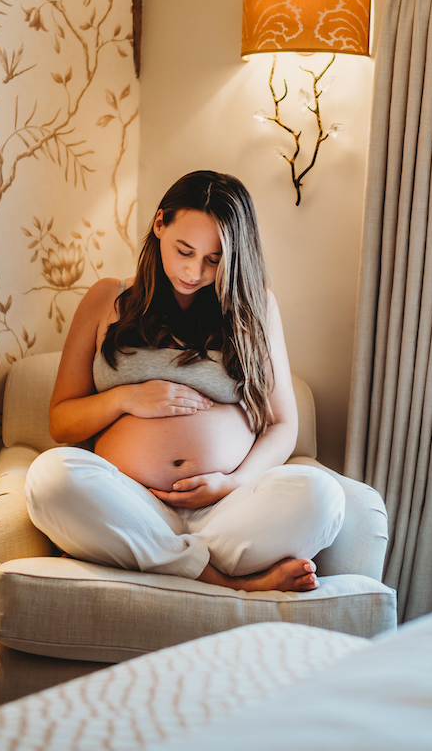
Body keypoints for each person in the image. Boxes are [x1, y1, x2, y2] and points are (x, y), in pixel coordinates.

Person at [25, 170, 345, 592]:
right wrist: (125, 398)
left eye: (214, 260)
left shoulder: (255, 308)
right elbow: (61, 423)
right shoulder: (106, 299)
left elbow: (283, 424)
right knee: (49, 478)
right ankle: (230, 581)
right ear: (160, 225)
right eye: (184, 250)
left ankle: (140, 554)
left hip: (226, 508)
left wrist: (233, 483)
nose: (194, 271)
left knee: (324, 495)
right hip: (131, 501)